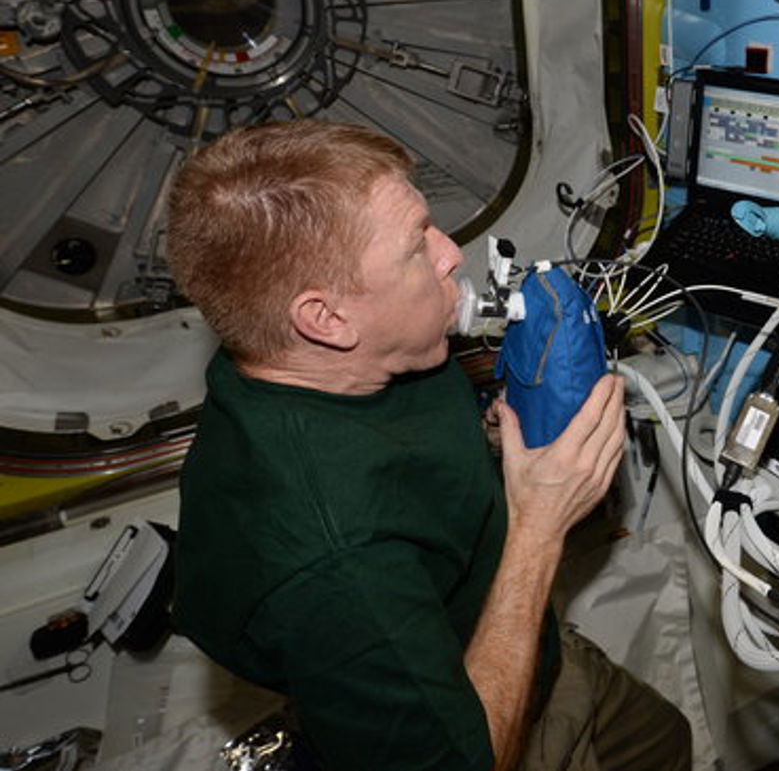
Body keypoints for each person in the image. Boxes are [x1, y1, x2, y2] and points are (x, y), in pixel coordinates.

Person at [167, 120, 691, 771]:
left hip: (518, 638)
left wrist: (490, 440)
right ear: (326, 318)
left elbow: (393, 456)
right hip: (474, 709)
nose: (449, 254)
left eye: (429, 224)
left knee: (664, 737)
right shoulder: (332, 563)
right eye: (416, 246)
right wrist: (539, 526)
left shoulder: (346, 353)